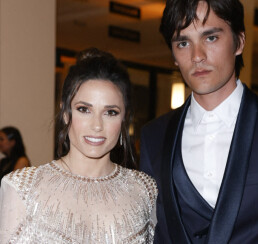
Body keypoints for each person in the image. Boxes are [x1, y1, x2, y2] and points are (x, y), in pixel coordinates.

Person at [140, 0, 258, 244]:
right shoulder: (154, 136)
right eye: (183, 43)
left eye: (210, 37)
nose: (197, 55)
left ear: (238, 42)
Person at [0, 48, 157, 243]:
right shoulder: (22, 188)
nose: (97, 125)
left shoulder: (144, 190)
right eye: (84, 109)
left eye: (111, 112)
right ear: (66, 112)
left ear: (125, 118)